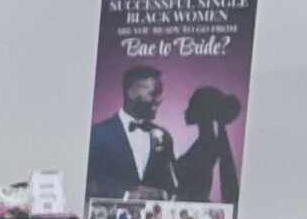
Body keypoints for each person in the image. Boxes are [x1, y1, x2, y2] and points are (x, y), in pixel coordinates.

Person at [86, 64, 178, 200]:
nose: (159, 100)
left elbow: (172, 186)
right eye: (154, 93)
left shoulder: (164, 137)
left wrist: (162, 194)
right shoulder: (98, 134)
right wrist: (127, 195)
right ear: (131, 93)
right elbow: (88, 183)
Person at [173, 86, 241, 204]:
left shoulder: (207, 145)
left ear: (203, 112)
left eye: (192, 106)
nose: (186, 111)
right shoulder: (209, 142)